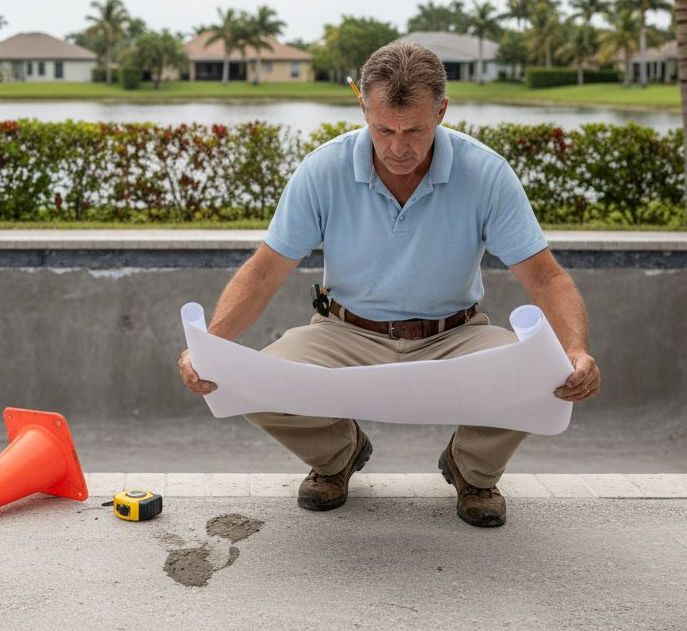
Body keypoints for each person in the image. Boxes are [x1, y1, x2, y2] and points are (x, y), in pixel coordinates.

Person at [176, 41, 601, 527]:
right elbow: (265, 269)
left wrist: (575, 350)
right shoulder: (323, 169)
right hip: (344, 332)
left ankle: (472, 469)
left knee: (543, 374)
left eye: (415, 130)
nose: (399, 147)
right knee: (243, 380)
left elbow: (546, 275)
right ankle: (338, 454)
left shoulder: (485, 172)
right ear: (363, 106)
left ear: (442, 110)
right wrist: (211, 345)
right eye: (384, 129)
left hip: (455, 333)